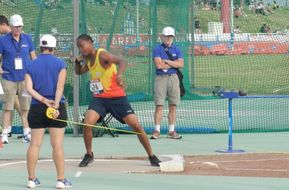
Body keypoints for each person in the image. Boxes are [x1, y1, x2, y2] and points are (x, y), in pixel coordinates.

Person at [75, 34, 161, 167]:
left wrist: (119, 76)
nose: (81, 49)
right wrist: (76, 61)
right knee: (87, 123)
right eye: (78, 47)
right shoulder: (88, 59)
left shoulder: (102, 55)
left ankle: (151, 155)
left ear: (90, 43)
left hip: (117, 98)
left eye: (82, 46)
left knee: (136, 126)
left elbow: (122, 61)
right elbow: (79, 72)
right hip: (99, 99)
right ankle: (89, 154)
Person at [25, 34, 71, 188]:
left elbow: (29, 89)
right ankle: (61, 180)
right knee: (57, 145)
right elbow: (60, 87)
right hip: (56, 108)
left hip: (37, 107)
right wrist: (55, 105)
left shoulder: (31, 64)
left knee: (34, 144)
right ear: (54, 47)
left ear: (40, 47)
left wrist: (44, 101)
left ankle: (31, 179)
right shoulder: (60, 63)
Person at [0, 14, 36, 144]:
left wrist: (35, 72)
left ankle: (27, 132)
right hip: (8, 77)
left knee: (25, 106)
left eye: (20, 26)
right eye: (15, 26)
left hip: (25, 78)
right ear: (10, 26)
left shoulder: (27, 38)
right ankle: (4, 134)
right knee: (7, 106)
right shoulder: (3, 40)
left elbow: (33, 56)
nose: (18, 29)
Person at [150, 26, 183, 140]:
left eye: (171, 36)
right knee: (159, 105)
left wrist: (167, 61)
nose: (169, 38)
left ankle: (171, 131)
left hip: (173, 78)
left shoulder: (177, 49)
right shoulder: (157, 49)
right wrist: (174, 63)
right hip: (161, 78)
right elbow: (159, 65)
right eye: (167, 36)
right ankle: (157, 130)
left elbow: (181, 64)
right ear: (162, 37)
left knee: (173, 105)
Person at [0, 15, 22, 138]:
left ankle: (25, 125)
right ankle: (8, 128)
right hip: (8, 74)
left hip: (16, 75)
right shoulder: (3, 39)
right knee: (11, 100)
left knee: (12, 100)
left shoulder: (19, 37)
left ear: (3, 24)